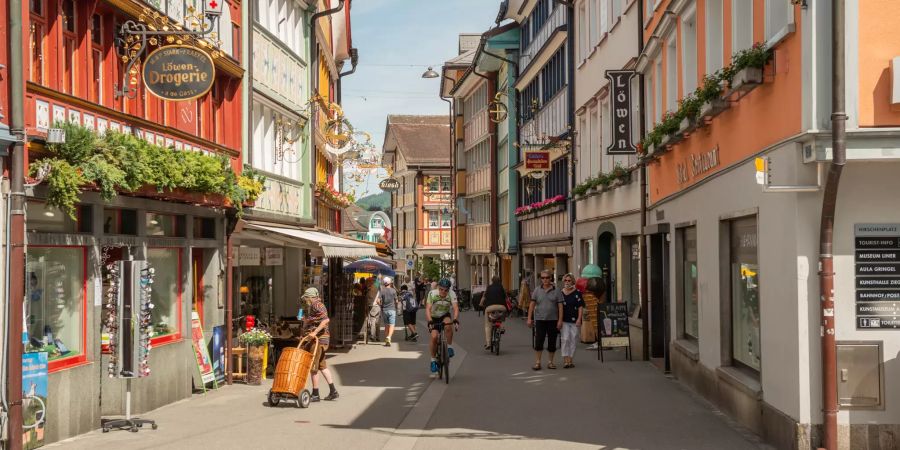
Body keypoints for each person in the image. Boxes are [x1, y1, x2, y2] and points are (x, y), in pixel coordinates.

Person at [299, 287, 339, 401]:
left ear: (310, 297)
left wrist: (315, 332)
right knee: (322, 365)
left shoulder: (317, 304)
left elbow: (326, 320)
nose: (306, 300)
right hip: (321, 339)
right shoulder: (314, 306)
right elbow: (317, 319)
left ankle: (315, 394)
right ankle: (333, 391)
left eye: (306, 298)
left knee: (313, 367)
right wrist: (307, 321)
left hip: (319, 339)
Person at [527, 270, 563, 370]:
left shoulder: (557, 290)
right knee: (539, 341)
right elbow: (532, 304)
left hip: (553, 320)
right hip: (540, 319)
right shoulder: (537, 290)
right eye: (543, 278)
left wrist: (560, 320)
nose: (545, 279)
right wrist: (529, 318)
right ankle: (538, 362)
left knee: (552, 341)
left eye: (547, 277)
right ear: (541, 279)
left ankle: (550, 362)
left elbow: (560, 306)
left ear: (551, 278)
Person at [425, 278, 459, 374]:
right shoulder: (432, 294)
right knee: (434, 337)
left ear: (449, 290)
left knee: (448, 325)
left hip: (444, 315)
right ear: (438, 288)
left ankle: (449, 346)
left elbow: (456, 308)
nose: (443, 291)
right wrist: (430, 321)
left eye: (446, 290)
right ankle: (433, 360)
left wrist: (456, 319)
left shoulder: (452, 294)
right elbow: (428, 309)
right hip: (434, 317)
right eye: (441, 289)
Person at [559, 273, 585, 368]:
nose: (567, 282)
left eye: (569, 280)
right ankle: (565, 360)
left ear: (572, 281)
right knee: (565, 339)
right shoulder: (560, 293)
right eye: (565, 280)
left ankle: (570, 359)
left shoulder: (577, 293)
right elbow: (557, 307)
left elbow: (580, 307)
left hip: (574, 320)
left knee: (573, 339)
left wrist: (579, 319)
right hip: (564, 320)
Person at [481, 276, 508, 350]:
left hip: (490, 308)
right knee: (500, 318)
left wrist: (481, 304)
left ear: (492, 281)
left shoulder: (489, 288)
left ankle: (488, 343)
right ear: (500, 281)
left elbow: (484, 297)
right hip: (501, 307)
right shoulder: (502, 288)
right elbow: (506, 297)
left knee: (488, 325)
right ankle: (500, 327)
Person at [375, 276, 400, 346]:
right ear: (390, 283)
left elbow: (378, 301)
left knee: (386, 326)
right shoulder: (393, 290)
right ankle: (389, 337)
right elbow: (397, 301)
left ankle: (387, 341)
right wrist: (396, 304)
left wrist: (381, 305)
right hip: (392, 309)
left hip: (384, 310)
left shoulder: (382, 291)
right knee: (392, 325)